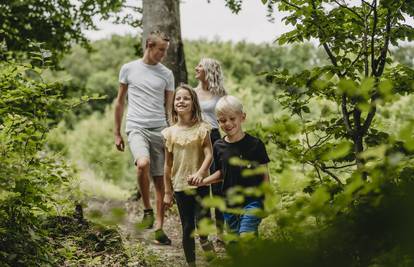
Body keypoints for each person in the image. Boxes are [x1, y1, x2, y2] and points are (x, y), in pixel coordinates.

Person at [114, 30, 174, 245]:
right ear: (149, 45)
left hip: (159, 129)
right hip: (136, 127)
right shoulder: (129, 69)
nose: (163, 54)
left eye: (166, 51)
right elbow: (120, 102)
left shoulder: (166, 74)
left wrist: (172, 132)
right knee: (142, 164)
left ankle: (159, 228)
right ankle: (147, 209)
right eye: (161, 50)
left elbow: (169, 109)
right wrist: (117, 132)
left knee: (160, 181)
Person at [192, 95, 270, 237]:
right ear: (218, 122)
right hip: (229, 205)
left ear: (242, 117)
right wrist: (203, 181)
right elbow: (222, 173)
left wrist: (267, 199)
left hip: (252, 201)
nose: (227, 123)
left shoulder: (255, 144)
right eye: (222, 120)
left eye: (232, 119)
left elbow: (264, 173)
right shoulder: (219, 146)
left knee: (246, 236)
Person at [162, 84, 214, 266]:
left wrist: (201, 173)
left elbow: (209, 154)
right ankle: (191, 263)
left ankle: (207, 245)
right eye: (178, 98)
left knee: (202, 225)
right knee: (187, 228)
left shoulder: (202, 128)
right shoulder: (169, 133)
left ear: (193, 103)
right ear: (173, 104)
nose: (181, 101)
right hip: (180, 186)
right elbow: (167, 165)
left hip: (201, 185)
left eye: (186, 98)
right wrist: (167, 192)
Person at [194, 58, 227, 242]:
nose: (196, 68)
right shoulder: (192, 92)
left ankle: (221, 234)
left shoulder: (221, 93)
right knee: (202, 186)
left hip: (215, 138)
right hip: (197, 139)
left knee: (219, 187)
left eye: (200, 66)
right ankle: (203, 233)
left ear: (209, 70)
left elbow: (228, 117)